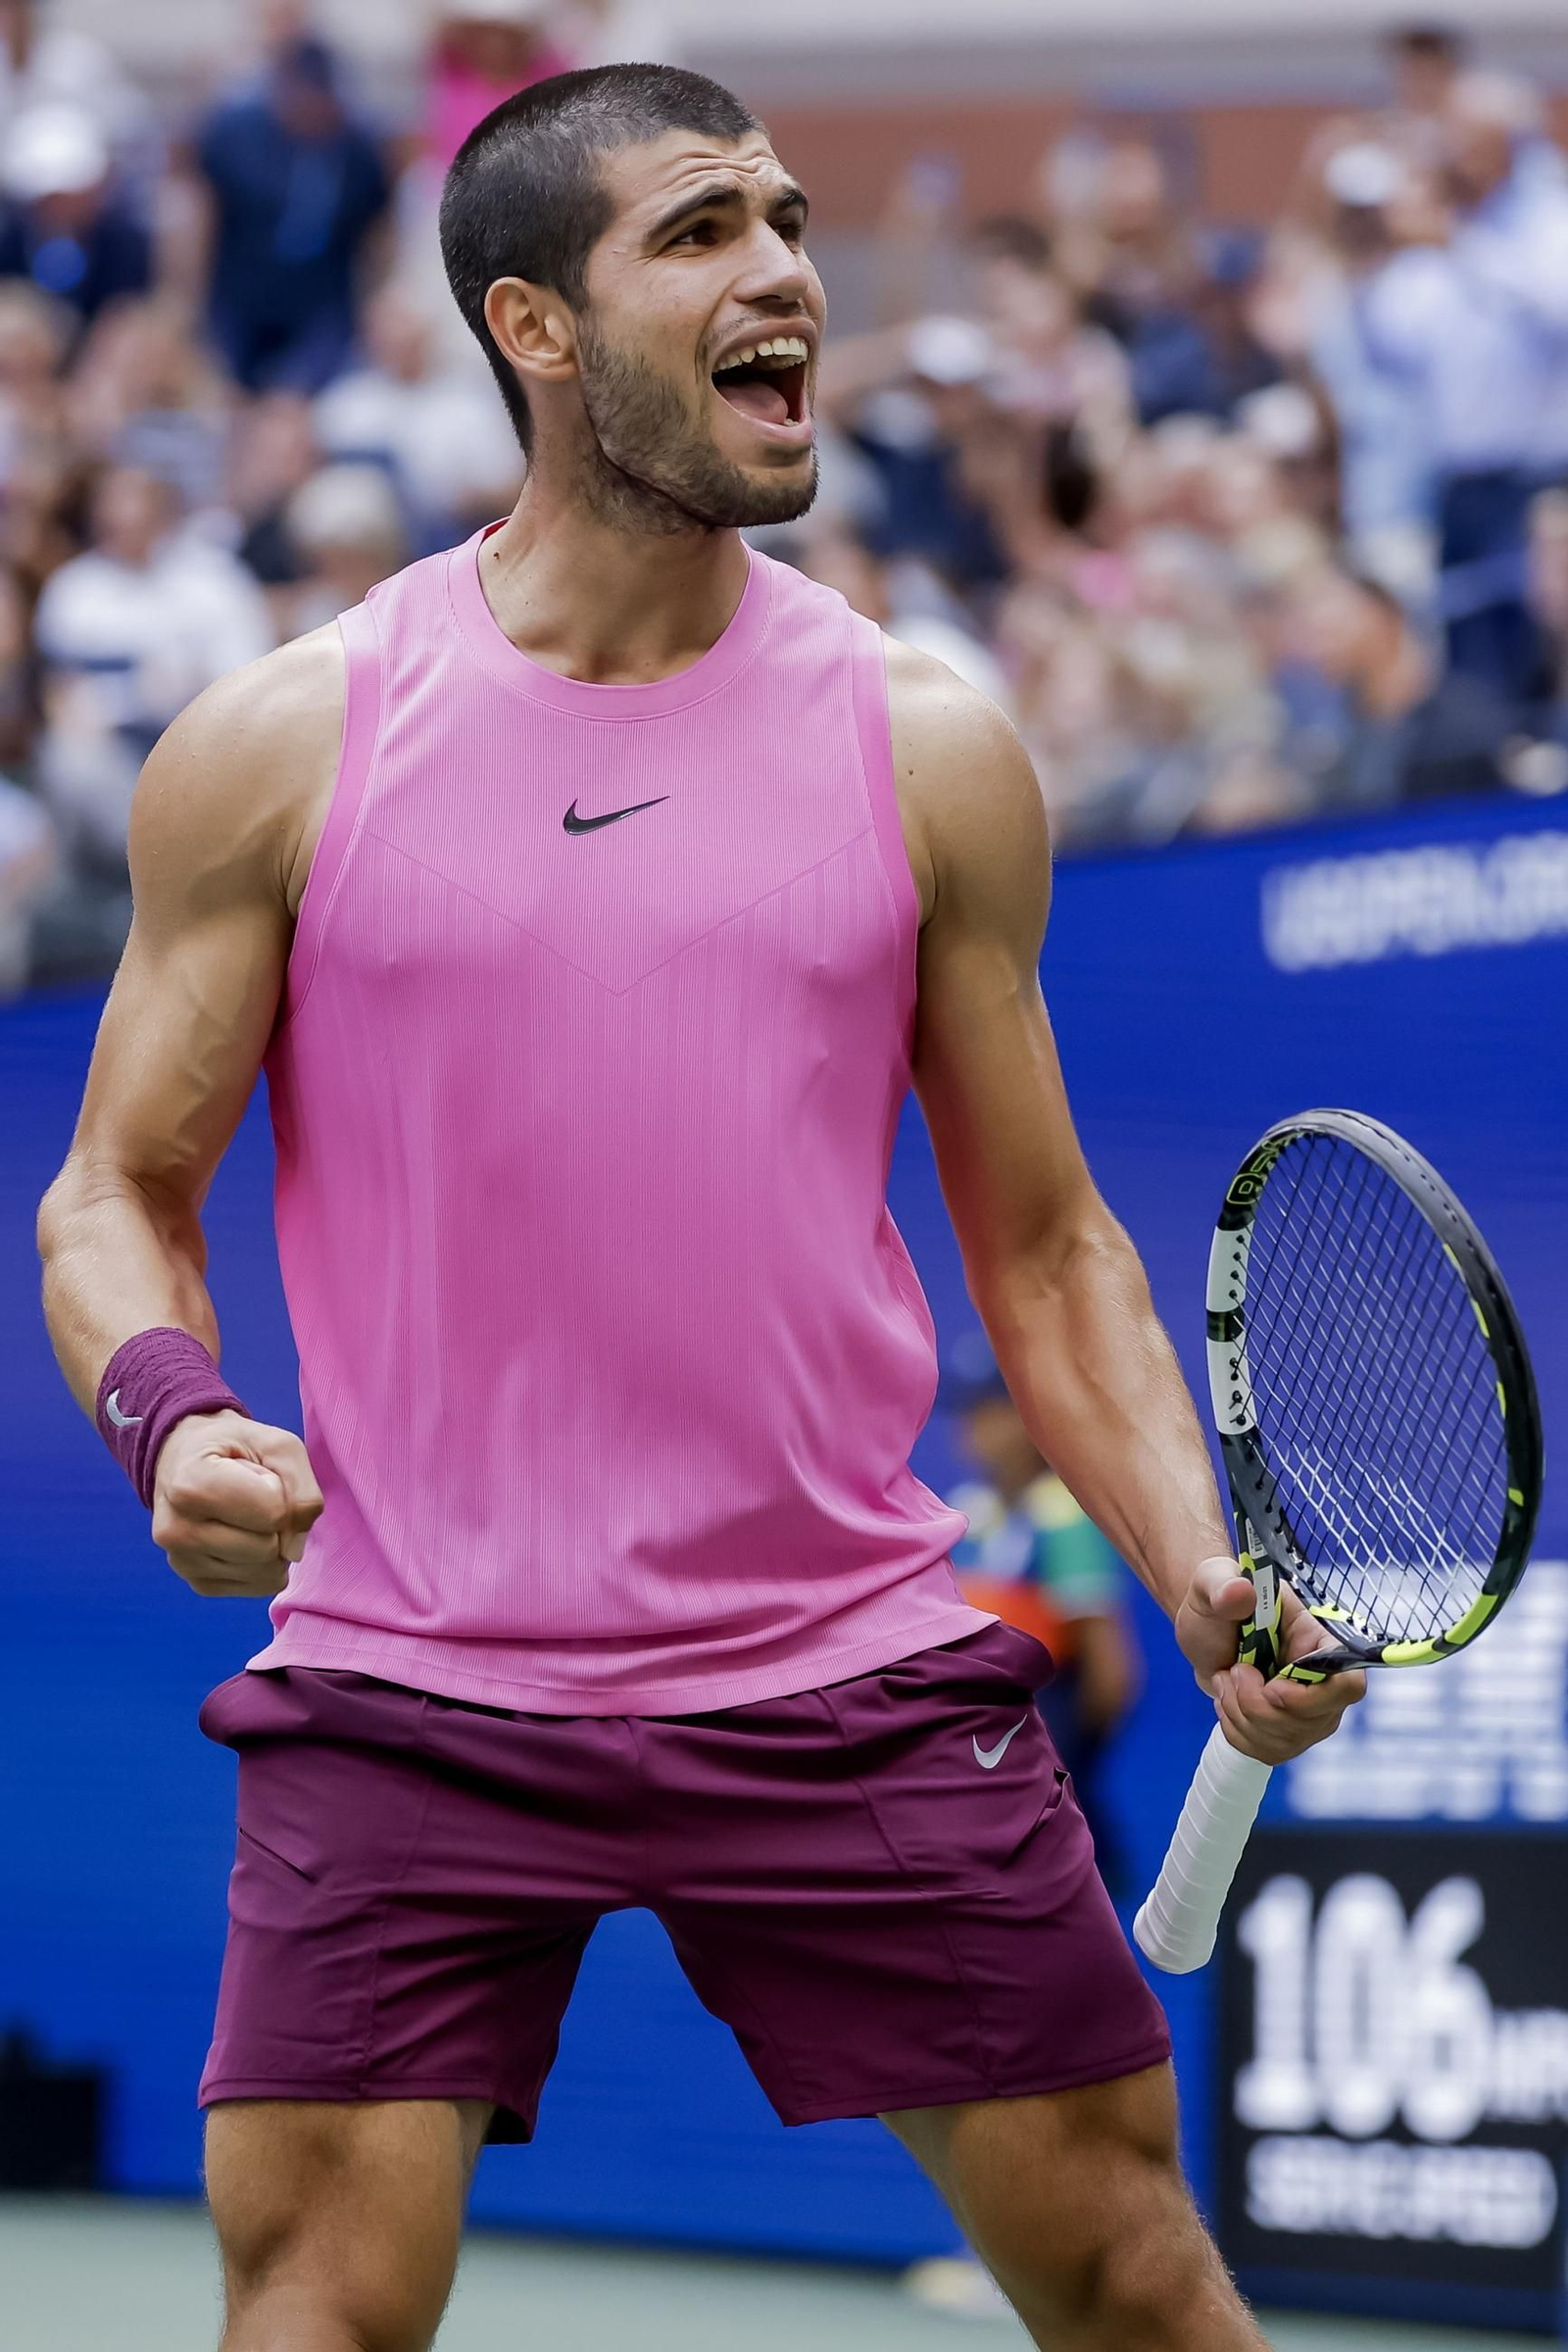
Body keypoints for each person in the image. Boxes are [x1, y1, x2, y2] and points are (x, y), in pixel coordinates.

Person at [37, 65, 1359, 2352]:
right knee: (313, 2306)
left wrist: (1190, 1546)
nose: (781, 272)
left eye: (782, 214)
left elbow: (1044, 1245)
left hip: (840, 1667)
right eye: (697, 231)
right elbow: (109, 1190)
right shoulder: (284, 743)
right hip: (406, 1675)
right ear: (535, 328)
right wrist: (170, 1414)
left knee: (1138, 2273)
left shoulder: (927, 741)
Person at [942, 1333, 1139, 1886]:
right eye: (967, 1413)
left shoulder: (1065, 1518)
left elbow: (1112, 1674)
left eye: (989, 1412)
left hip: (1036, 1760)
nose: (973, 1430)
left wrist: (1062, 1767)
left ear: (1027, 1417)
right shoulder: (964, 1513)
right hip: (972, 1765)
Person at [192, 35, 390, 395]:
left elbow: (375, 229)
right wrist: (193, 295)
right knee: (228, 388)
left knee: (300, 394)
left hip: (322, 298)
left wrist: (373, 299)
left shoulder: (358, 150)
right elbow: (206, 214)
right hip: (241, 292)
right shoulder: (236, 135)